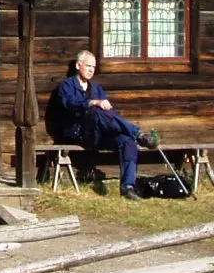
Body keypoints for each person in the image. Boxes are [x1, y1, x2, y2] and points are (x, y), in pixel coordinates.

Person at [44, 50, 159, 199]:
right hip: (79, 134)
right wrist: (93, 102)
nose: (92, 70)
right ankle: (138, 134)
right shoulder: (67, 86)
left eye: (94, 67)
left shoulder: (96, 88)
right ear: (79, 66)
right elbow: (69, 104)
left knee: (127, 141)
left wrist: (101, 106)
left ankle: (128, 187)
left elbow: (108, 114)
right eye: (88, 66)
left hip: (99, 134)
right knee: (95, 111)